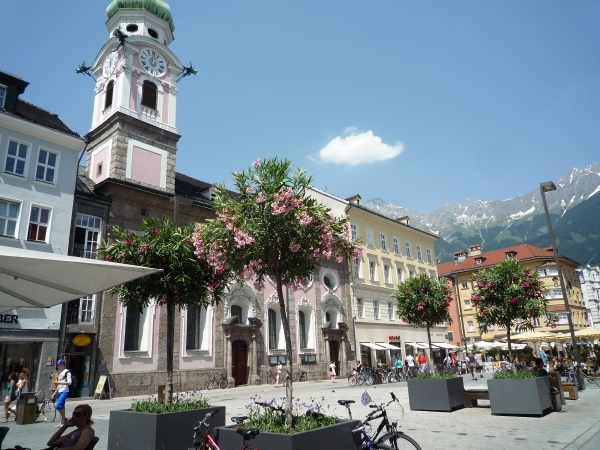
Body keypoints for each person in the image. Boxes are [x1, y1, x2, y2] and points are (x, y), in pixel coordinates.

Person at [53, 359, 72, 427]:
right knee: (62, 407)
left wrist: (58, 382)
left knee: (58, 406)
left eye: (59, 365)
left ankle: (64, 419)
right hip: (60, 391)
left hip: (65, 391)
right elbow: (59, 385)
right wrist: (55, 393)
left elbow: (69, 382)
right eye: (57, 365)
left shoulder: (67, 372)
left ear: (63, 365)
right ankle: (62, 422)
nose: (57, 366)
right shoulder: (60, 373)